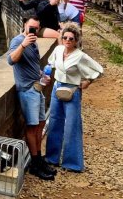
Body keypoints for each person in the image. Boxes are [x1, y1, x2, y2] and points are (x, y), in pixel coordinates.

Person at [44, 24, 103, 172]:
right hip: (57, 89)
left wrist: (88, 81)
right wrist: (45, 74)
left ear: (76, 40)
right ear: (62, 38)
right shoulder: (58, 50)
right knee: (54, 122)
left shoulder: (80, 56)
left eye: (71, 38)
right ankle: (52, 158)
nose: (68, 40)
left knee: (72, 126)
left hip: (72, 91)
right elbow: (50, 64)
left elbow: (99, 70)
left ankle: (72, 163)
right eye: (65, 37)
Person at [7, 16, 55, 180]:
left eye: (36, 28)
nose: (33, 30)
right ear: (24, 26)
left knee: (41, 125)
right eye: (31, 27)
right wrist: (23, 44)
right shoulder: (17, 41)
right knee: (32, 127)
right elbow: (11, 60)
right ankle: (35, 163)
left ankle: (39, 159)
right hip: (27, 91)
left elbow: (34, 65)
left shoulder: (34, 42)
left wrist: (42, 75)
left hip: (37, 88)